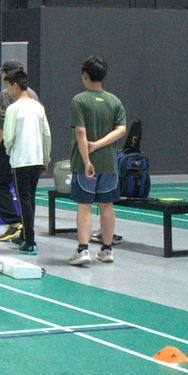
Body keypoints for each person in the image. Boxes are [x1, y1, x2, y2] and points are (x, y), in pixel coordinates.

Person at [68, 56, 128, 266]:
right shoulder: (114, 101)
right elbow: (121, 131)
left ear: (85, 75)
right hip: (109, 164)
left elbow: (81, 133)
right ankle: (107, 249)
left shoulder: (79, 101)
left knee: (84, 206)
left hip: (86, 165)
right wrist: (101, 144)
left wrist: (87, 160)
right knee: (107, 205)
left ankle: (83, 249)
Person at [0, 68, 51, 256]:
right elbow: (46, 134)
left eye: (8, 86)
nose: (7, 90)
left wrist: (9, 150)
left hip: (21, 160)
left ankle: (30, 241)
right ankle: (24, 237)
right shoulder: (38, 107)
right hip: (37, 160)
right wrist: (45, 158)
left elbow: (8, 136)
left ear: (15, 85)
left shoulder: (13, 109)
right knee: (30, 199)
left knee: (24, 200)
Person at [0, 60, 32, 243]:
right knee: (26, 194)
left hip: (10, 148)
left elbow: (3, 122)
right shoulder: (33, 95)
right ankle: (26, 233)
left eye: (2, 72)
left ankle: (15, 223)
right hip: (31, 151)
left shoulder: (6, 94)